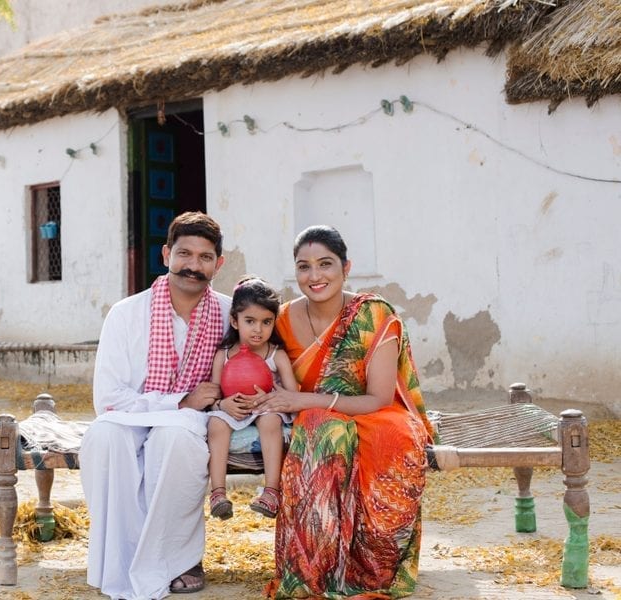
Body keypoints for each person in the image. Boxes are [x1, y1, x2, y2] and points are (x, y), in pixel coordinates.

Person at [251, 225, 435, 599]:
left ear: (346, 267)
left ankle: (370, 570)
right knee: (320, 429)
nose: (315, 276)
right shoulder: (281, 320)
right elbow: (251, 358)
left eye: (325, 264)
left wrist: (306, 401)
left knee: (390, 437)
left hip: (373, 413)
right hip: (319, 417)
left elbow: (379, 398)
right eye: (304, 267)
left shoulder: (373, 315)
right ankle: (311, 572)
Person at [80, 211, 232, 600]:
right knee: (103, 436)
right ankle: (120, 559)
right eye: (184, 254)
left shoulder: (232, 313)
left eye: (204, 257)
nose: (193, 266)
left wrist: (191, 408)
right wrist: (179, 400)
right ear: (166, 254)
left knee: (174, 438)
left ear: (219, 263)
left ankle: (177, 559)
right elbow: (109, 398)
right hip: (131, 416)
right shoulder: (126, 313)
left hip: (194, 421)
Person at [206, 276, 297, 521]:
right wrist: (222, 405)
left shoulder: (276, 355)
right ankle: (218, 494)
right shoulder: (223, 355)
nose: (258, 329)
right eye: (250, 321)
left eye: (266, 322)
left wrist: (268, 399)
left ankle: (271, 491)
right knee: (215, 423)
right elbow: (215, 393)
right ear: (234, 321)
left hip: (268, 409)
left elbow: (293, 395)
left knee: (270, 421)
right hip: (233, 411)